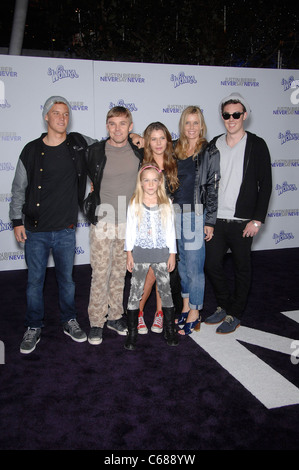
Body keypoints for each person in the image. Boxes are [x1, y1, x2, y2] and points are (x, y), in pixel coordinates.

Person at [9, 96, 95, 354]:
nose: (62, 118)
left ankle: (69, 320)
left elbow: (109, 145)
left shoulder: (79, 144)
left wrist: (134, 138)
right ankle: (33, 326)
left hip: (66, 229)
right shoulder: (31, 150)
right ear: (46, 116)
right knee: (34, 282)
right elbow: (18, 189)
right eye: (56, 113)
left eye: (65, 114)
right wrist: (16, 221)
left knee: (67, 281)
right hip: (35, 230)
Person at [204, 93, 272, 334]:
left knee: (242, 268)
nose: (231, 119)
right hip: (216, 220)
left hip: (243, 220)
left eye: (236, 114)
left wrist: (258, 219)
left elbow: (266, 185)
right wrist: (207, 217)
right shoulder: (214, 144)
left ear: (244, 115)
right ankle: (224, 304)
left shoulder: (256, 144)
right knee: (211, 264)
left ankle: (235, 312)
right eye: (226, 115)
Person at [83, 106, 143, 345]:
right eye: (112, 123)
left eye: (122, 123)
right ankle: (97, 322)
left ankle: (115, 316)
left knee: (120, 273)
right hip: (103, 221)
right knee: (100, 273)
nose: (117, 128)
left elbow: (164, 145)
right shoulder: (95, 151)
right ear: (107, 126)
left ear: (130, 127)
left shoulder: (139, 150)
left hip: (128, 223)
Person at [173, 106, 220, 335]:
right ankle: (185, 306)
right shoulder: (175, 148)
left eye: (196, 123)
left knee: (194, 268)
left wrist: (209, 221)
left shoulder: (209, 152)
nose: (192, 128)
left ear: (202, 125)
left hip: (195, 215)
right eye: (187, 123)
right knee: (182, 266)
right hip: (175, 214)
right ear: (182, 125)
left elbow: (212, 188)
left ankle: (195, 311)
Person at [124, 163, 178, 350]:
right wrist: (129, 253)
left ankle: (169, 329)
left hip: (161, 254)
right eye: (146, 180)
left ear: (160, 182)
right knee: (134, 292)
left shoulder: (166, 203)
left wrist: (172, 253)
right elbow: (130, 230)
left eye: (154, 180)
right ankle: (131, 333)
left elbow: (170, 230)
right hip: (139, 254)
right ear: (141, 182)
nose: (150, 184)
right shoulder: (134, 203)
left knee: (166, 291)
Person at [137, 122, 181, 336]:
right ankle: (137, 312)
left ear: (168, 140)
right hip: (148, 227)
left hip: (168, 225)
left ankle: (159, 313)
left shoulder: (175, 162)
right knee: (151, 273)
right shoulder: (142, 164)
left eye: (161, 138)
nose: (158, 143)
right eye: (153, 139)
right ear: (147, 142)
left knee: (162, 272)